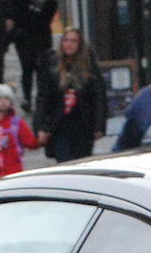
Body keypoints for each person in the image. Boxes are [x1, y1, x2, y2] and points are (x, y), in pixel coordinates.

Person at [37, 25, 106, 163]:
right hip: (60, 124)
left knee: (82, 161)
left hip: (83, 124)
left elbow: (99, 96)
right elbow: (44, 97)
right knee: (64, 161)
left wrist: (99, 125)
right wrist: (41, 126)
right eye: (66, 40)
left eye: (74, 41)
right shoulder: (53, 65)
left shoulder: (89, 67)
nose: (69, 44)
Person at [0, 0, 58, 96]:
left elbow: (53, 4)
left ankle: (42, 97)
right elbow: (9, 10)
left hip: (42, 32)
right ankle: (27, 97)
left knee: (42, 66)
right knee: (27, 67)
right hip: (24, 35)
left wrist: (45, 18)